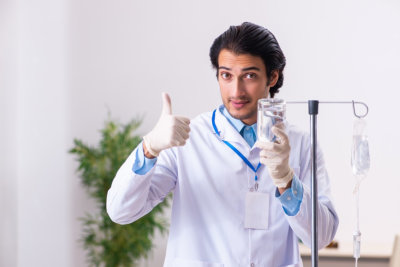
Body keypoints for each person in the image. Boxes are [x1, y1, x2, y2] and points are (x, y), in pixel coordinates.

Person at [107, 22, 339, 267]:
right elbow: (121, 211)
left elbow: (321, 238)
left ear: (272, 76)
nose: (236, 91)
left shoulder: (301, 144)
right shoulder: (188, 139)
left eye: (249, 76)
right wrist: (149, 149)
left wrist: (286, 181)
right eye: (226, 76)